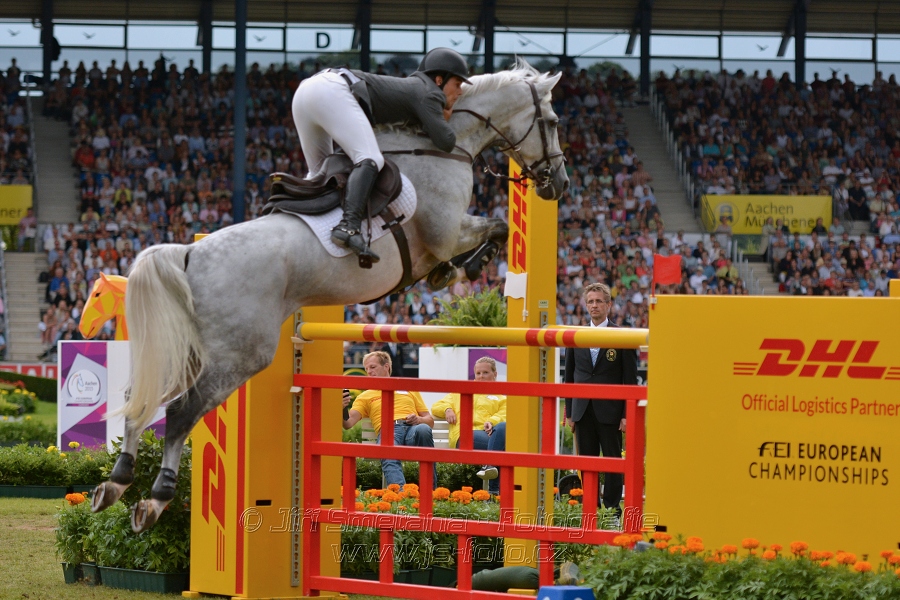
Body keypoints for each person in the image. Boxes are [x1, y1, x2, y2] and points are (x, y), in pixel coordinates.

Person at [291, 47, 470, 264]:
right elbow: (446, 141)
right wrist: (447, 114)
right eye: (457, 84)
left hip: (306, 91)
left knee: (319, 174)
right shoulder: (430, 93)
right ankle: (349, 227)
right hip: (332, 90)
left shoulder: (416, 88)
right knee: (370, 159)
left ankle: (299, 231)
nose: (459, 92)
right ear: (440, 80)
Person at [564, 282, 638, 524]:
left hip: (611, 411)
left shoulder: (622, 336)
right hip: (582, 409)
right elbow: (569, 377)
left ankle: (612, 511)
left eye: (599, 301)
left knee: (613, 461)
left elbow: (629, 380)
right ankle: (591, 510)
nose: (594, 305)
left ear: (609, 304)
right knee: (586, 462)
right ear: (586, 306)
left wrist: (626, 414)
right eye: (590, 302)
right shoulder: (576, 336)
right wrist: (569, 411)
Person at [342, 351, 437, 488]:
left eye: (373, 367)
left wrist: (419, 420)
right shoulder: (365, 396)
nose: (369, 371)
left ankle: (430, 492)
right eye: (366, 368)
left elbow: (429, 420)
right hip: (389, 429)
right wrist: (341, 408)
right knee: (388, 448)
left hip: (413, 428)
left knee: (424, 429)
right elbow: (348, 423)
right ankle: (402, 496)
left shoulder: (408, 388)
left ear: (386, 367)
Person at [431, 356, 507, 495]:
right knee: (504, 448)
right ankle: (494, 491)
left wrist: (491, 422)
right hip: (465, 436)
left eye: (485, 373)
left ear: (495, 374)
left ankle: (490, 470)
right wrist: (447, 409)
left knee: (503, 427)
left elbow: (504, 414)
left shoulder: (501, 398)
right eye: (478, 373)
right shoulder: (462, 392)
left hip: (489, 435)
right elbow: (436, 406)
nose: (481, 376)